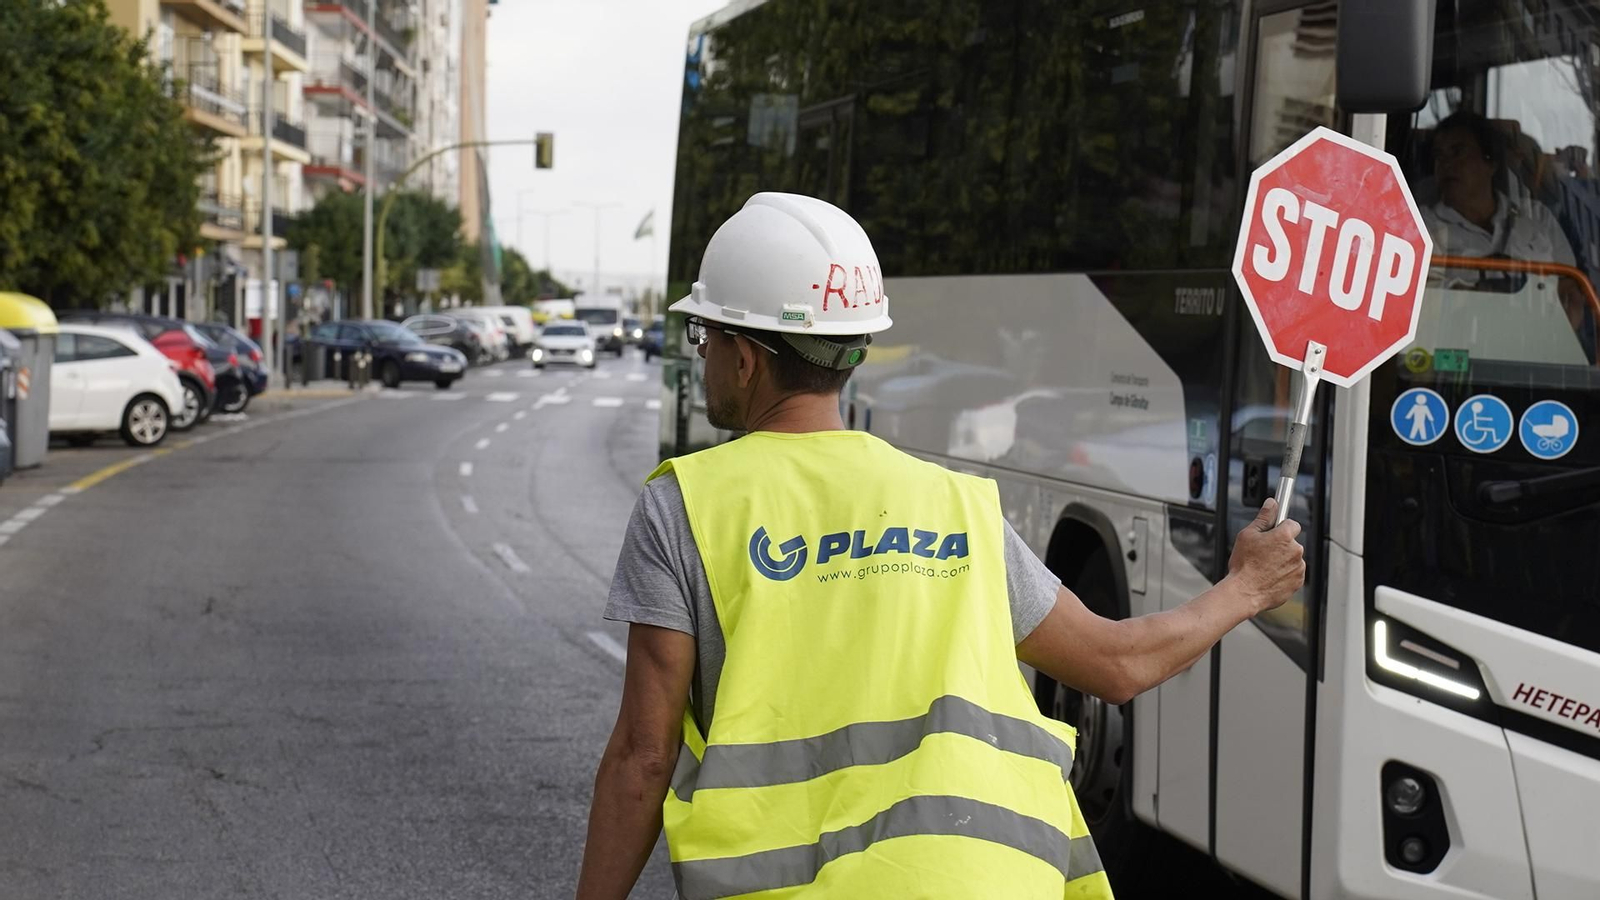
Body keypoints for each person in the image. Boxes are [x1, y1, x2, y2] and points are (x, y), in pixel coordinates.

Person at [575, 193, 1306, 900]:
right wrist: (1244, 586)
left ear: (745, 358)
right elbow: (1116, 665)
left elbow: (643, 759)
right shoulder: (958, 508)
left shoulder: (686, 506)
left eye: (705, 337)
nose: (702, 358)